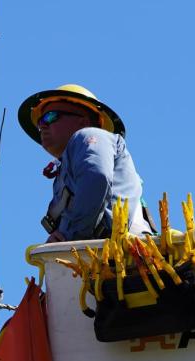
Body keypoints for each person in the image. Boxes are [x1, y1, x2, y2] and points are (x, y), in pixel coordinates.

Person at [17, 84, 150, 242]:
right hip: (98, 256)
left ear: (83, 121)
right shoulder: (65, 175)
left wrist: (72, 238)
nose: (43, 125)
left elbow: (96, 177)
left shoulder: (89, 135)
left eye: (51, 116)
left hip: (120, 254)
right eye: (40, 122)